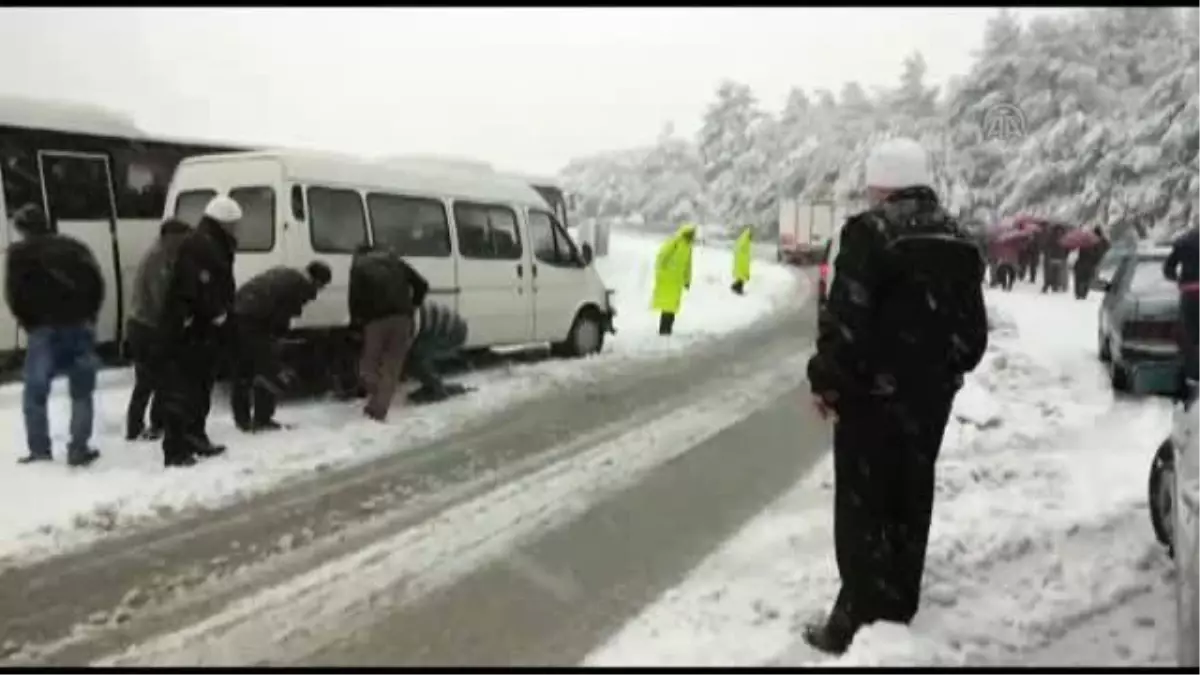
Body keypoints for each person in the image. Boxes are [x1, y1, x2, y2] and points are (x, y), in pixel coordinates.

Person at [804, 137, 989, 656]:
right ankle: (899, 604)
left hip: (870, 399)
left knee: (863, 509)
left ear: (883, 183)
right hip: (928, 403)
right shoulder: (958, 238)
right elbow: (973, 336)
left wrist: (828, 381)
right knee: (911, 500)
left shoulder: (871, 234)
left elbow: (845, 321)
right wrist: (940, 375)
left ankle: (856, 617)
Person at [4, 205, 105, 467]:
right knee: (82, 392)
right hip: (79, 326)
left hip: (43, 331)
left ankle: (40, 451)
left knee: (35, 393)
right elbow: (97, 282)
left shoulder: (19, 254)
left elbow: (14, 296)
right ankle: (78, 449)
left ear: (23, 228)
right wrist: (89, 316)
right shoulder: (75, 247)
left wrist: (30, 324)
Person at [157, 196, 241, 467]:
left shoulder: (210, 243)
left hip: (199, 328)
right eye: (235, 224)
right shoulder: (202, 246)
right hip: (192, 329)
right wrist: (215, 313)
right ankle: (176, 448)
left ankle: (195, 436)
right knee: (184, 389)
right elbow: (198, 285)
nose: (238, 229)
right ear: (224, 223)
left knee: (199, 386)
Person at [230, 261, 332, 432]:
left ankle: (244, 420)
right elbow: (282, 315)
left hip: (239, 315)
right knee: (268, 370)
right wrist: (277, 339)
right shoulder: (300, 285)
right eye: (323, 286)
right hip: (255, 322)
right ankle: (261, 419)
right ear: (318, 281)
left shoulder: (288, 274)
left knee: (245, 370)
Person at [124, 218, 192, 441]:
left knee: (156, 379)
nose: (185, 243)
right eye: (182, 238)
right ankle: (139, 427)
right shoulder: (157, 259)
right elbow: (160, 299)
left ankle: (152, 424)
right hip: (145, 328)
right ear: (169, 237)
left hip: (147, 326)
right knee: (149, 380)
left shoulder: (165, 256)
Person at [349, 243, 429, 421]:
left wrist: (356, 323)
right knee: (391, 368)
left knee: (368, 366)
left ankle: (376, 404)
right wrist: (413, 306)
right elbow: (422, 285)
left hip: (375, 322)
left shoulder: (359, 266)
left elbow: (354, 298)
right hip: (403, 320)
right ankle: (378, 409)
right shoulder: (396, 262)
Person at [406, 300, 471, 405]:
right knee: (413, 358)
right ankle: (433, 387)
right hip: (433, 325)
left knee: (416, 360)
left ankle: (438, 391)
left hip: (449, 330)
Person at [1164, 225, 1200, 381]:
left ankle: (1193, 375)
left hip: (1190, 293)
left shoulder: (1184, 242)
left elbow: (1168, 268)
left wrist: (1177, 279)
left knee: (1191, 336)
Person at [652, 223, 696, 335]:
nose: (691, 236)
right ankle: (664, 330)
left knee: (672, 306)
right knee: (667, 306)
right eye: (690, 234)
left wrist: (687, 280)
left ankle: (668, 329)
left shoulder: (688, 247)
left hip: (676, 281)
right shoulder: (675, 242)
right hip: (667, 279)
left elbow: (688, 266)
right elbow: (662, 255)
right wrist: (661, 270)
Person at [1073, 226, 1109, 300]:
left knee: (1080, 279)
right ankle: (1083, 294)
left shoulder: (1086, 240)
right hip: (1092, 264)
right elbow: (1107, 247)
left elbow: (1081, 250)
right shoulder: (1101, 242)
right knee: (1087, 279)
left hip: (1082, 263)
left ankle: (1079, 293)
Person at [1041, 223, 1069, 293]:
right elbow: (1067, 248)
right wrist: (1065, 255)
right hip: (1060, 257)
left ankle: (1048, 285)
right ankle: (1055, 286)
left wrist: (1047, 253)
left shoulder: (1051, 237)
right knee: (1057, 273)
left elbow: (1046, 246)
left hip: (1052, 257)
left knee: (1050, 273)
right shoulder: (1065, 237)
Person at [731, 226, 752, 295]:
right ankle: (737, 289)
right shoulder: (744, 242)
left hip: (742, 265)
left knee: (741, 279)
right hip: (742, 265)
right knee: (741, 279)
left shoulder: (743, 241)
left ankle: (736, 287)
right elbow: (744, 253)